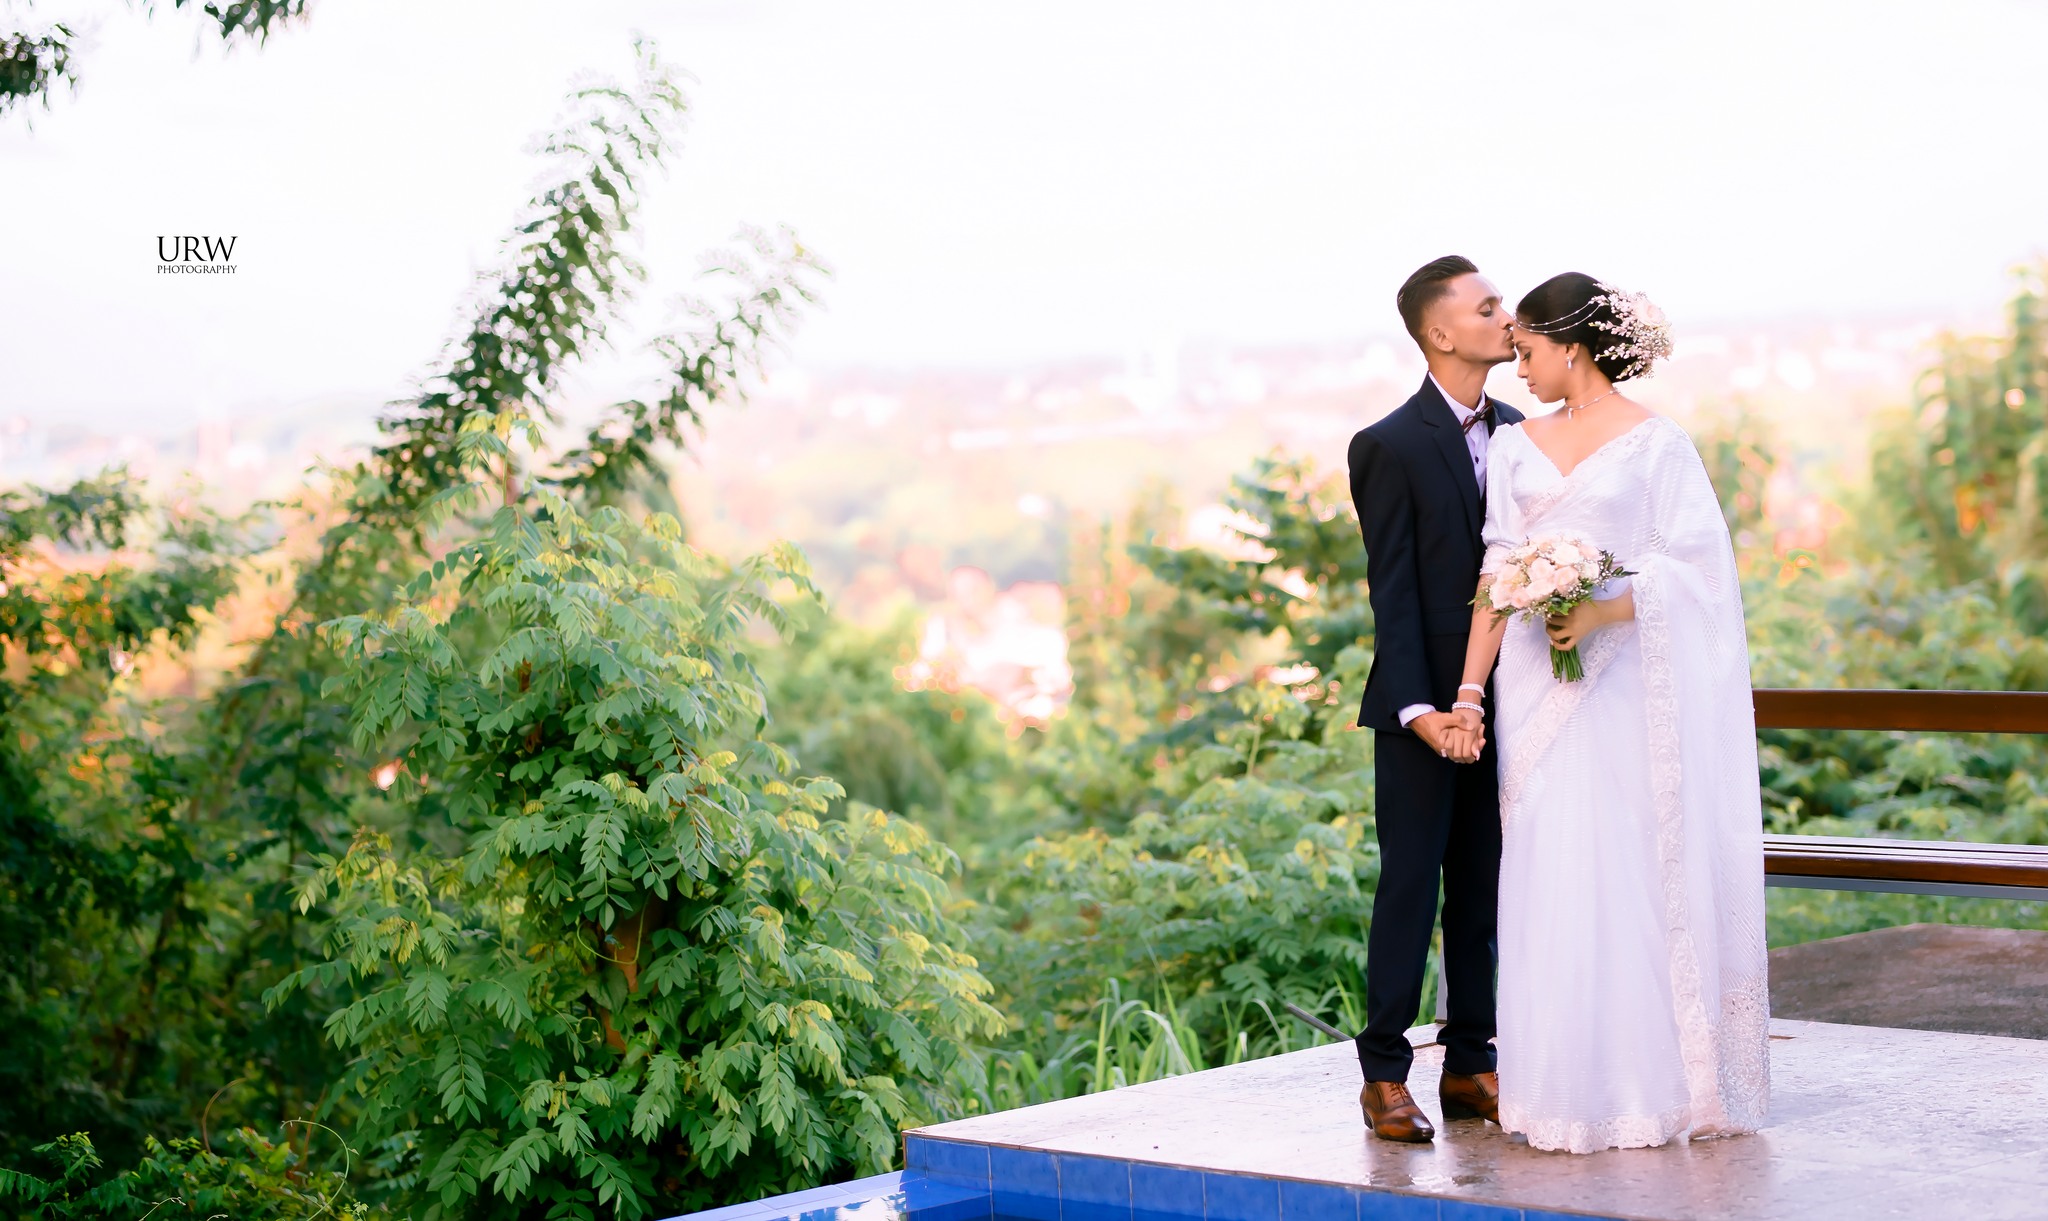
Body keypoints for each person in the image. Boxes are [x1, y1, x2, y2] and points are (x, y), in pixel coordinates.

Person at [1449, 272, 1771, 1153]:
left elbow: (1700, 570)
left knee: (1629, 865)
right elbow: (1496, 571)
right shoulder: (1514, 447)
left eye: (1527, 352)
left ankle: (1646, 1088)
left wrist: (1604, 609)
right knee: (1548, 867)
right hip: (1533, 688)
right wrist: (1470, 691)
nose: (1518, 369)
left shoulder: (1658, 445)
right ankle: (1558, 1088)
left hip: (1627, 684)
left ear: (1573, 346)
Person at [1345, 255, 1522, 1143]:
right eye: (1488, 308)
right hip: (1420, 713)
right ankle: (1383, 1074)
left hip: (1510, 701)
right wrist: (1425, 712)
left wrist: (1487, 696)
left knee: (1484, 890)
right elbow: (1395, 592)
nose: (1507, 316)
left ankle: (1470, 1063)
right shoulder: (1387, 443)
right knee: (1411, 889)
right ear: (1440, 332)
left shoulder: (1524, 431)